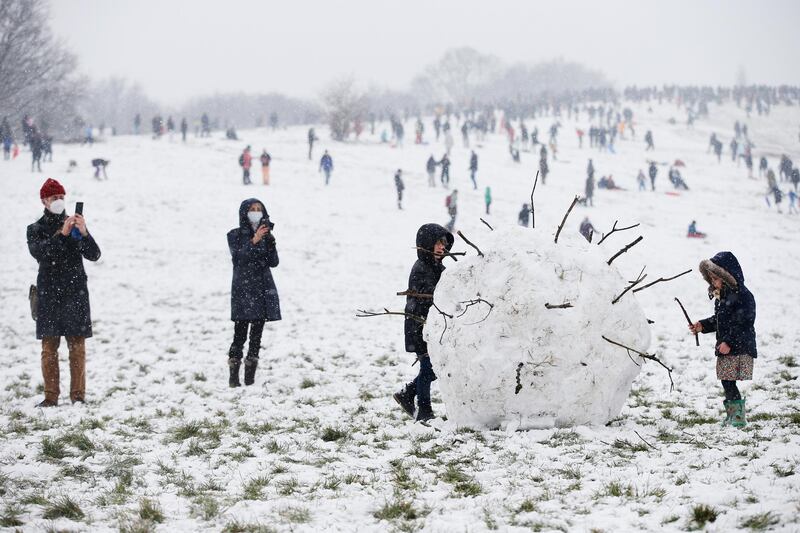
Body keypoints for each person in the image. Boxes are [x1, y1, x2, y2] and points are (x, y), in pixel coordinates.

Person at [27, 178, 101, 406]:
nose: (58, 201)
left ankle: (78, 396)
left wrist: (84, 233)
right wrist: (62, 234)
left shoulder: (75, 224)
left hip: (75, 294)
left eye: (61, 197)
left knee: (77, 347)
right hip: (49, 294)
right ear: (44, 201)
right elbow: (42, 254)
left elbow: (94, 255)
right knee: (49, 348)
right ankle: (51, 397)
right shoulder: (35, 229)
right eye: (54, 198)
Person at [393, 224, 454, 422]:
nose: (441, 247)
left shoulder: (440, 268)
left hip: (435, 326)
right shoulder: (420, 268)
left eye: (443, 243)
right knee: (428, 367)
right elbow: (428, 294)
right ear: (426, 244)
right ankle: (424, 411)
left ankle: (407, 393)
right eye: (437, 243)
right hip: (419, 325)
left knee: (435, 367)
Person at [689, 252, 757, 428]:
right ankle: (734, 416)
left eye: (715, 278)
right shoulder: (723, 296)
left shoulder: (742, 296)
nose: (713, 282)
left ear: (727, 276)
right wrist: (702, 326)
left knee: (728, 380)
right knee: (726, 380)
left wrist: (729, 342)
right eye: (710, 278)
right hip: (728, 344)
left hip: (739, 345)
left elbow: (744, 322)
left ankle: (737, 418)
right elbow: (719, 320)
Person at [226, 199, 280, 387]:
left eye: (259, 209)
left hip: (262, 289)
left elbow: (273, 262)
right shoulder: (234, 235)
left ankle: (250, 379)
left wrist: (270, 242)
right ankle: (234, 376)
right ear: (244, 212)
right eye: (252, 209)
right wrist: (254, 240)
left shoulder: (268, 235)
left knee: (256, 335)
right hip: (243, 290)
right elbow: (239, 258)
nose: (256, 212)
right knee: (239, 334)